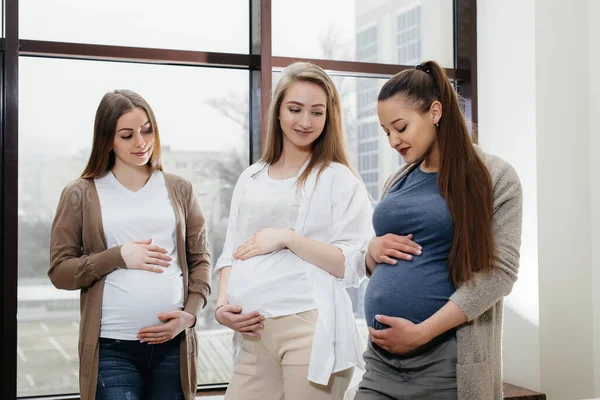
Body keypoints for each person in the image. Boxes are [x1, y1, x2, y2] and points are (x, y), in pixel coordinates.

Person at [354, 61, 523, 400]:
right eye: (386, 131)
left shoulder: (495, 177)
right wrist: (370, 253)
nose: (393, 140)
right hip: (381, 362)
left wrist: (421, 333)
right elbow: (391, 257)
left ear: (434, 112)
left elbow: (499, 273)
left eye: (400, 127)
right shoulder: (397, 180)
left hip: (446, 363)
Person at [214, 62, 374, 400]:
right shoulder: (251, 177)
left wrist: (288, 237)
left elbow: (352, 263)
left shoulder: (338, 179)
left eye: (317, 112)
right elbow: (232, 250)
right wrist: (221, 304)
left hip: (309, 331)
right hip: (253, 335)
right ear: (277, 112)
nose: (305, 122)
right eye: (295, 109)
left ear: (329, 117)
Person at [48, 89, 211, 400]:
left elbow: (200, 259)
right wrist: (118, 256)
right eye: (127, 135)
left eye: (147, 130)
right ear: (108, 140)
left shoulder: (180, 189)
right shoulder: (80, 193)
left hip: (173, 347)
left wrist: (189, 315)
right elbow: (59, 272)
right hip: (112, 349)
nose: (141, 142)